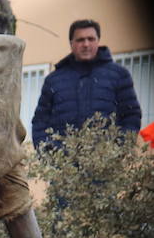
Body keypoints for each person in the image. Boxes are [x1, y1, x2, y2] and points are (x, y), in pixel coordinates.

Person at [31, 19, 142, 149]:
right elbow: (40, 121)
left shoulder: (119, 75)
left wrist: (118, 150)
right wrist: (49, 152)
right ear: (71, 43)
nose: (86, 44)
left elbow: (131, 116)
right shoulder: (53, 80)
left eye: (91, 39)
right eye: (80, 40)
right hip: (62, 164)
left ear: (98, 41)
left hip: (106, 163)